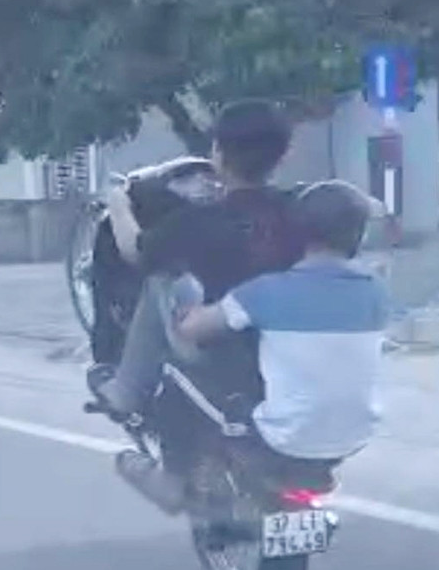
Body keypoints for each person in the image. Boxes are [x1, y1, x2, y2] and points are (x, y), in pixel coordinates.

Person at [90, 99, 305, 511]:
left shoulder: (197, 222)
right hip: (290, 349)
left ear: (218, 154)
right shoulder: (301, 211)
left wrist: (118, 203)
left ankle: (127, 390)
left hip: (220, 346)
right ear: (283, 155)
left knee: (160, 280)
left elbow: (134, 250)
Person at [171, 180, 390, 471]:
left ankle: (186, 474)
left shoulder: (266, 291)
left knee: (189, 383)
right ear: (359, 236)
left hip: (284, 439)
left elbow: (192, 330)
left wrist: (186, 308)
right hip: (356, 438)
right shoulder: (376, 291)